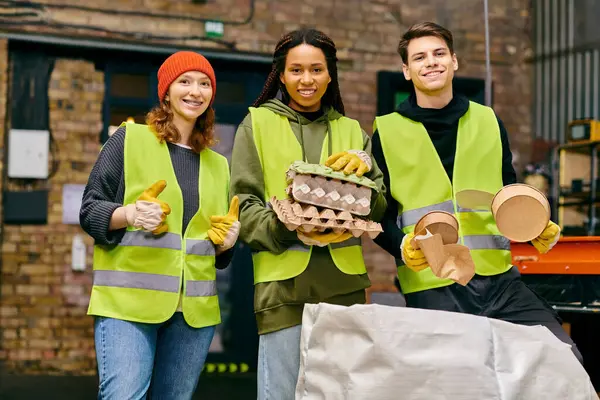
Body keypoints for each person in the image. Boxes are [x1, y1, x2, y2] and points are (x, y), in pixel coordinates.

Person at [372, 22, 583, 363]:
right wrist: (401, 245)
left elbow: (507, 194)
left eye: (439, 53)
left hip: (500, 280)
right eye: (420, 57)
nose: (431, 62)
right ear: (407, 71)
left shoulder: (488, 121)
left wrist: (534, 226)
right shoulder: (387, 132)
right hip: (433, 282)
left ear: (454, 61)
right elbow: (378, 216)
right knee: (461, 380)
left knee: (562, 358)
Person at [229, 28, 387, 399]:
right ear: (281, 75)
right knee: (280, 393)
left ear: (330, 74)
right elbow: (243, 206)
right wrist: (288, 227)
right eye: (296, 70)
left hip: (343, 287)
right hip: (283, 289)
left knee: (339, 393)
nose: (306, 80)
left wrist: (366, 174)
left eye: (316, 70)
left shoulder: (351, 130)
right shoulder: (258, 124)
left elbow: (379, 204)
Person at [80, 51, 240, 399]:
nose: (195, 91)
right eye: (185, 81)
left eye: (204, 83)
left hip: (193, 315)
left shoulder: (219, 165)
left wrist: (227, 243)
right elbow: (90, 209)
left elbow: (212, 250)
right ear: (166, 91)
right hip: (128, 305)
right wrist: (129, 214)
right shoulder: (129, 139)